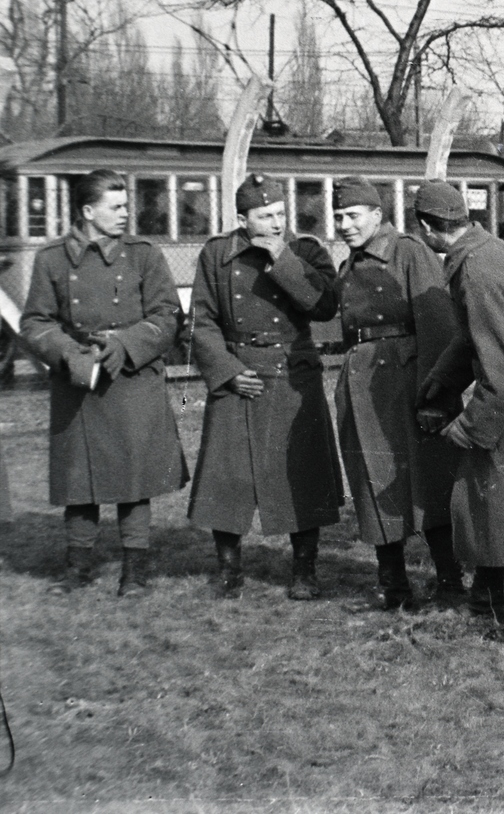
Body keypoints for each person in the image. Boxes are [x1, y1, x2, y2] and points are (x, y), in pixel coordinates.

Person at [20, 169, 185, 597]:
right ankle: (77, 568)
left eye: (126, 205)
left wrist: (126, 345)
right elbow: (35, 321)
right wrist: (69, 355)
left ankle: (135, 571)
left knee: (134, 481)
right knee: (80, 481)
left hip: (130, 379)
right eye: (116, 207)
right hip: (78, 382)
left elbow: (167, 315)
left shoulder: (144, 254)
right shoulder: (51, 259)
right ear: (88, 211)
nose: (125, 214)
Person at [187, 174, 343, 599]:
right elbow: (201, 321)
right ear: (242, 219)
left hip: (293, 372)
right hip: (239, 373)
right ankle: (227, 568)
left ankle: (304, 570)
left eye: (280, 214)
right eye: (264, 217)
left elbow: (326, 305)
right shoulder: (217, 253)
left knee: (301, 474)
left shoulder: (306, 250)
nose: (276, 223)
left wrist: (283, 258)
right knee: (228, 474)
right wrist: (226, 370)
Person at [412, 182, 504, 626]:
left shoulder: (474, 271)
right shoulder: (490, 248)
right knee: (488, 501)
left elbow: (500, 360)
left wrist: (474, 424)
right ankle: (491, 597)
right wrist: (442, 380)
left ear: (425, 227)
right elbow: (475, 336)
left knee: (499, 503)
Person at [331, 176, 463, 610]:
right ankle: (394, 585)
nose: (344, 225)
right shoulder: (347, 264)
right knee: (372, 481)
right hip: (363, 387)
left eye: (352, 215)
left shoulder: (409, 252)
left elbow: (439, 328)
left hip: (409, 384)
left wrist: (435, 399)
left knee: (430, 481)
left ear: (376, 214)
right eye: (338, 217)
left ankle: (448, 582)